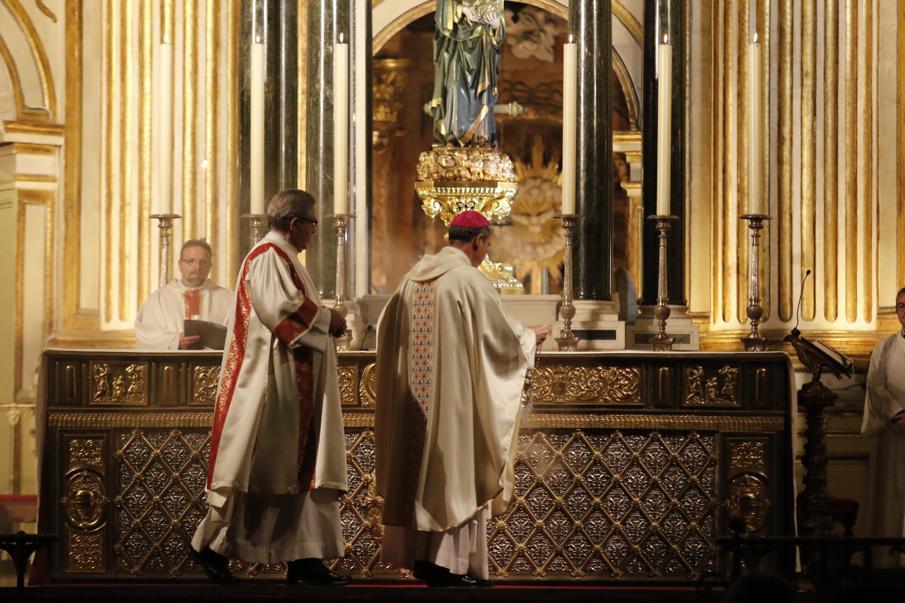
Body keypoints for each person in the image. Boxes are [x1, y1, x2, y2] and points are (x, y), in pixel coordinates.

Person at [374, 210, 549, 586]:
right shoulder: (468, 279)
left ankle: (422, 559)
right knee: (454, 479)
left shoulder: (411, 278)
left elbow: (386, 329)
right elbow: (497, 336)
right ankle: (448, 564)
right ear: (478, 241)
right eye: (487, 246)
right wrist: (529, 337)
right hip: (453, 407)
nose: (485, 253)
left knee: (423, 476)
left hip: (413, 407)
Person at [189, 190, 349, 585]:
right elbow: (281, 310)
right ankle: (210, 546)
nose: (314, 232)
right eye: (312, 224)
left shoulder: (283, 256)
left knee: (296, 475)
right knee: (258, 472)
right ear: (294, 224)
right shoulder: (267, 257)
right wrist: (327, 318)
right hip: (273, 385)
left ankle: (304, 558)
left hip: (291, 383)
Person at [861, 286, 905, 567]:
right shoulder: (885, 347)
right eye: (900, 306)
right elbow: (875, 386)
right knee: (893, 501)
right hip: (895, 433)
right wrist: (898, 413)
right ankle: (888, 564)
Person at [431, 0, 505, 146]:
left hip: (482, 47)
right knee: (455, 86)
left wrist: (497, 25)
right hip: (456, 45)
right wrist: (461, 10)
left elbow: (498, 18)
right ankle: (454, 133)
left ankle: (480, 135)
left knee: (480, 91)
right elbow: (442, 10)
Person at [134, 239, 231, 350]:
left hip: (214, 360)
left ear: (210, 266)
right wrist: (174, 341)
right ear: (180, 264)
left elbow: (238, 335)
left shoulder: (227, 299)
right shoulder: (159, 298)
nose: (197, 267)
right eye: (190, 261)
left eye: (203, 262)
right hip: (172, 360)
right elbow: (145, 334)